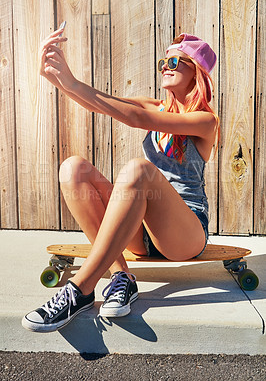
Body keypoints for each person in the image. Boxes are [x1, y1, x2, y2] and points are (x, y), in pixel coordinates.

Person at [22, 29, 219, 333]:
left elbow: (136, 119)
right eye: (163, 61)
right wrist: (57, 77)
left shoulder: (205, 121)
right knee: (73, 170)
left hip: (184, 234)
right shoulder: (154, 106)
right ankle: (121, 278)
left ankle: (79, 291)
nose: (166, 66)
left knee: (138, 170)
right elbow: (100, 103)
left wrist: (71, 82)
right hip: (141, 232)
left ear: (197, 72)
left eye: (175, 61)